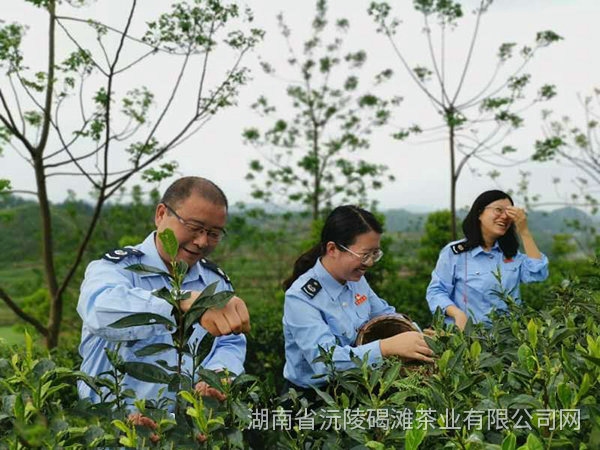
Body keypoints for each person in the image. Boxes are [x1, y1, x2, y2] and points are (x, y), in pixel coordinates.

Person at [77, 177, 250, 407]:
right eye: (194, 227)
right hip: (116, 428)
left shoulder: (215, 282)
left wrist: (218, 375)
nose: (201, 241)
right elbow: (99, 310)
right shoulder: (116, 269)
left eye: (214, 233)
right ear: (161, 215)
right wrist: (181, 303)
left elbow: (230, 343)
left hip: (186, 430)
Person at [282, 205, 433, 390]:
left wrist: (417, 336)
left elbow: (385, 314)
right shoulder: (300, 298)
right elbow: (325, 363)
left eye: (374, 254)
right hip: (311, 398)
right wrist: (385, 348)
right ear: (332, 249)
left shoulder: (355, 280)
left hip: (358, 388)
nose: (369, 262)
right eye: (364, 255)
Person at [426, 190, 549, 329]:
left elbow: (538, 274)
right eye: (498, 210)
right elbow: (436, 291)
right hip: (465, 339)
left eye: (508, 213)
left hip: (507, 342)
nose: (504, 217)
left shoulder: (511, 254)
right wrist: (457, 314)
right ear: (479, 213)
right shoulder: (455, 253)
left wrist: (524, 232)